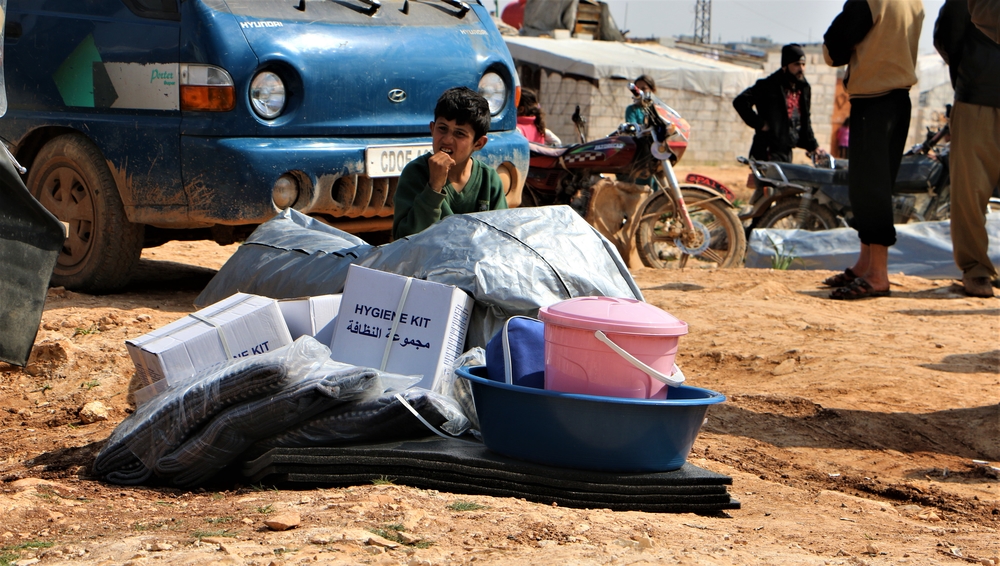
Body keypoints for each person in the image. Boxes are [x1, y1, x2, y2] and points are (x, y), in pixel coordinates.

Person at [822, 0, 924, 300]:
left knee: (870, 188)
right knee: (876, 184)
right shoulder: (914, 2)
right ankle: (865, 265)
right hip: (898, 100)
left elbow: (834, 50)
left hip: (873, 101)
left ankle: (878, 275)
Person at [934, 0, 999, 298]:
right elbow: (948, 33)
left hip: (977, 89)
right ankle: (976, 270)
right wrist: (968, 74)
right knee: (970, 191)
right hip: (978, 96)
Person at [392, 87, 507, 239]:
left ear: (478, 143)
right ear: (432, 129)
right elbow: (405, 240)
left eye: (459, 133)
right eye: (442, 129)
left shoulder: (489, 180)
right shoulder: (416, 173)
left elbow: (501, 239)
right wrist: (433, 188)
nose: (446, 139)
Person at [733, 44, 823, 163]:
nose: (801, 68)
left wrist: (813, 146)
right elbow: (740, 102)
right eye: (796, 64)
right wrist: (760, 124)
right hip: (766, 150)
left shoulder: (803, 89)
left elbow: (805, 120)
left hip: (786, 150)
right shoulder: (769, 85)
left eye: (803, 64)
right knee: (768, 181)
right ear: (785, 66)